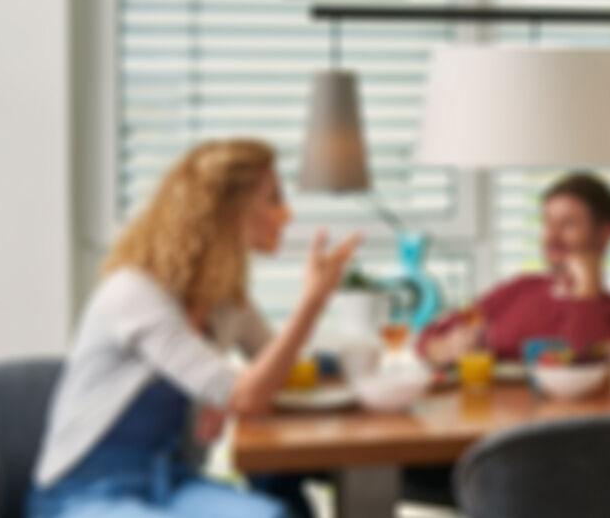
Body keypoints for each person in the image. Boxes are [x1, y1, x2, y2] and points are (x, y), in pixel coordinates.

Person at [29, 139, 361, 518]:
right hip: (84, 493)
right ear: (227, 210)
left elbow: (276, 369)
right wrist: (311, 303)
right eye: (273, 198)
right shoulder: (134, 293)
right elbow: (246, 396)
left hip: (173, 481)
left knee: (274, 514)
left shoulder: (225, 299)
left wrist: (348, 366)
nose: (286, 214)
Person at [418, 171, 610, 364]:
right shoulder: (520, 289)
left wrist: (586, 290)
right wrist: (444, 348)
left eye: (568, 224)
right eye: (547, 223)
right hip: (491, 405)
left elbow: (580, 362)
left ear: (605, 234)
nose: (551, 237)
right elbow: (430, 335)